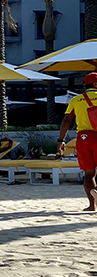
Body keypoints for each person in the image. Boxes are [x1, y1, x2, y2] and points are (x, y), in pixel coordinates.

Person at [58, 72, 97, 211]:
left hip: (83, 138)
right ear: (95, 84)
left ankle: (92, 205)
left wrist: (61, 140)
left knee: (89, 174)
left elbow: (66, 121)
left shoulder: (76, 100)